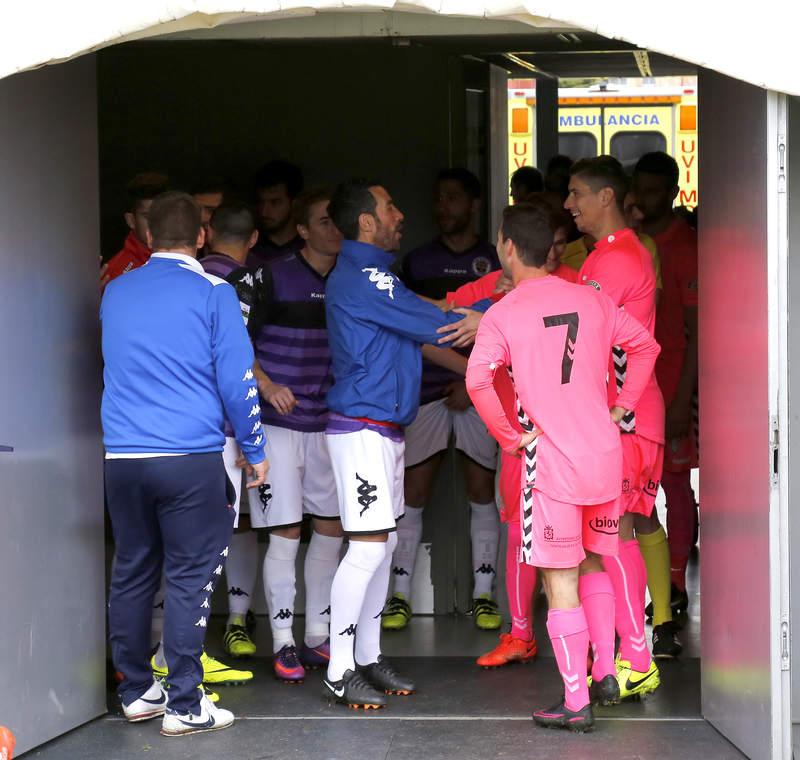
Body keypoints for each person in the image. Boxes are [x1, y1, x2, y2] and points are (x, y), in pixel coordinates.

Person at [467, 202, 660, 732]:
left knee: (559, 579)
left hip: (552, 462)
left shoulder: (503, 310)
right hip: (604, 454)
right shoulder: (590, 298)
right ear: (548, 250)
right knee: (597, 560)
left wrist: (510, 437)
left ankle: (576, 701)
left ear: (507, 247)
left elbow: (477, 381)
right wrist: (623, 405)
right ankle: (604, 671)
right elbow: (646, 345)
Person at [101, 191, 268, 736]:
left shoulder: (116, 289)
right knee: (189, 578)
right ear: (200, 235)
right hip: (189, 457)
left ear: (147, 237)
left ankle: (134, 691)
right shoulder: (214, 291)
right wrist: (255, 447)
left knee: (131, 570)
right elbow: (238, 379)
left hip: (122, 457)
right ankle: (186, 704)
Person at [322, 178, 482, 709]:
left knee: (382, 544)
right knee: (368, 547)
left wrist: (482, 370)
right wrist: (499, 316)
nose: (400, 216)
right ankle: (340, 668)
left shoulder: (375, 277)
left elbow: (422, 334)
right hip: (362, 428)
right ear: (366, 222)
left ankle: (366, 658)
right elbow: (435, 324)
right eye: (390, 208)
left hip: (383, 429)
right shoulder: (367, 273)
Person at [443, 199, 577, 668]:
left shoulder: (578, 290)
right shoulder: (500, 290)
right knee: (518, 531)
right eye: (549, 243)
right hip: (520, 439)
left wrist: (493, 321)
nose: (554, 252)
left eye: (562, 243)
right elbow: (447, 308)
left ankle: (597, 650)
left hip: (562, 438)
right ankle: (520, 633)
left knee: (580, 548)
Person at [565, 156, 669, 691]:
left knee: (615, 537)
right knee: (604, 541)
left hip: (626, 423)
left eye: (577, 193)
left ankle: (638, 658)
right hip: (623, 421)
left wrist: (619, 408)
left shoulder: (617, 260)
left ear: (607, 197)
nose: (568, 204)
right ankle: (615, 657)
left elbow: (589, 341)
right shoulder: (602, 257)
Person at [383, 168, 502, 633]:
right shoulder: (417, 261)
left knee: (481, 490)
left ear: (473, 203)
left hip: (479, 393)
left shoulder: (494, 260)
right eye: (438, 198)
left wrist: (471, 384)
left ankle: (484, 596)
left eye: (452, 198)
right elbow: (406, 325)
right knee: (412, 495)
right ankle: (398, 595)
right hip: (427, 390)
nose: (442, 207)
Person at [246, 188, 345, 683]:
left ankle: (317, 636)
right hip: (278, 423)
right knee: (285, 531)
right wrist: (267, 385)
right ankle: (283, 643)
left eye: (337, 221)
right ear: (303, 230)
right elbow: (235, 341)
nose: (335, 229)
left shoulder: (352, 279)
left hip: (331, 424)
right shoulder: (271, 275)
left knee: (330, 527)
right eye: (325, 221)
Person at [633, 152, 699, 625]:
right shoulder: (630, 246)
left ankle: (675, 584)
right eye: (640, 187)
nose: (644, 197)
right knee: (633, 491)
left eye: (655, 189)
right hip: (630, 389)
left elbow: (699, 330)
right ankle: (643, 583)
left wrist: (682, 399)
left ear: (673, 192)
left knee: (675, 483)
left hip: (673, 384)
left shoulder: (686, 245)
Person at [198, 203, 262, 664]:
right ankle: (232, 625)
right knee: (223, 530)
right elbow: (236, 366)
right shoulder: (241, 283)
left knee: (176, 541)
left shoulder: (184, 281)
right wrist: (249, 435)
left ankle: (164, 648)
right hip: (223, 430)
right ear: (254, 238)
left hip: (179, 432)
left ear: (207, 233)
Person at [103, 172, 169, 284]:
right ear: (131, 221)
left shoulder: (187, 259)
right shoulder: (115, 274)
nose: (156, 222)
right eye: (148, 216)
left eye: (163, 214)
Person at [248, 160, 305, 267]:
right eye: (261, 202)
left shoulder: (308, 248)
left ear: (294, 203)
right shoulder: (249, 246)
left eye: (275, 202)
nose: (264, 211)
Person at [192, 177, 228, 257]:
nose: (202, 217)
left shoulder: (250, 264)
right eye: (196, 209)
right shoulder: (178, 254)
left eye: (211, 211)